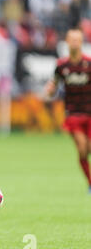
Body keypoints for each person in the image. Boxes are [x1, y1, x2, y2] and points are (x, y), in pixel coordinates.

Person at [45, 28, 91, 193]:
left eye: (77, 40)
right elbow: (54, 83)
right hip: (72, 113)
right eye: (71, 40)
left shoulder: (89, 63)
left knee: (88, 148)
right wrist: (50, 89)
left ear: (81, 42)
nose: (74, 43)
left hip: (89, 113)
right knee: (82, 148)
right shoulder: (61, 65)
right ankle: (90, 182)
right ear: (67, 42)